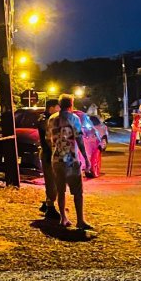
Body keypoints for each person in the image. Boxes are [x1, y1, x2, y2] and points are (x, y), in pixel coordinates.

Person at [47, 94, 93, 230]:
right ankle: (80, 220)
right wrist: (86, 158)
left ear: (60, 104)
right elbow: (79, 139)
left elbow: (49, 139)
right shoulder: (74, 118)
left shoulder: (52, 119)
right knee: (77, 192)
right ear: (71, 104)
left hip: (56, 159)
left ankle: (63, 218)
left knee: (61, 190)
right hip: (71, 160)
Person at [38, 99, 61, 221]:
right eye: (58, 107)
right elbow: (49, 137)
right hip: (48, 154)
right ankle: (50, 207)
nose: (59, 110)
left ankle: (48, 203)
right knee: (51, 181)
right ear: (51, 107)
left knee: (53, 181)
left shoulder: (45, 118)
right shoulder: (45, 119)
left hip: (49, 154)